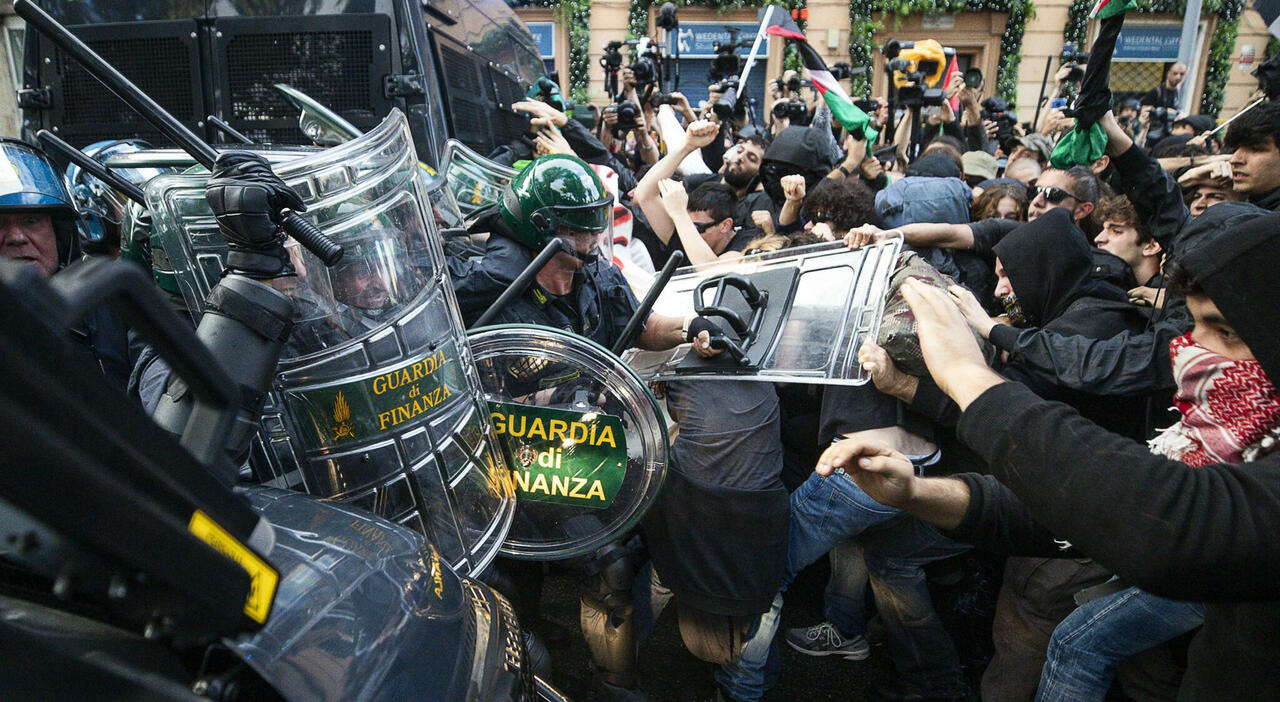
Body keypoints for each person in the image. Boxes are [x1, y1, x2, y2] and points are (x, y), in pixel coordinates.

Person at [820, 209, 1280, 699]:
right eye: (1192, 325)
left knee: (1067, 638)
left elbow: (1163, 522)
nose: (1188, 350)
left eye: (1224, 332)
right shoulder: (1229, 439)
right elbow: (1071, 510)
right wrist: (917, 492)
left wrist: (966, 375)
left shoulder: (1098, 322)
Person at [0, 138, 130, 389]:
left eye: (30, 221)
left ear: (61, 235)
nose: (16, 237)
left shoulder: (112, 303)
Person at [1140, 62, 1186, 145]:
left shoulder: (1178, 94)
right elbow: (1144, 112)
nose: (1178, 77)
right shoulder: (1156, 92)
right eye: (1175, 73)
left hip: (1169, 134)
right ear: (1168, 74)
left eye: (1182, 74)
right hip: (1153, 135)